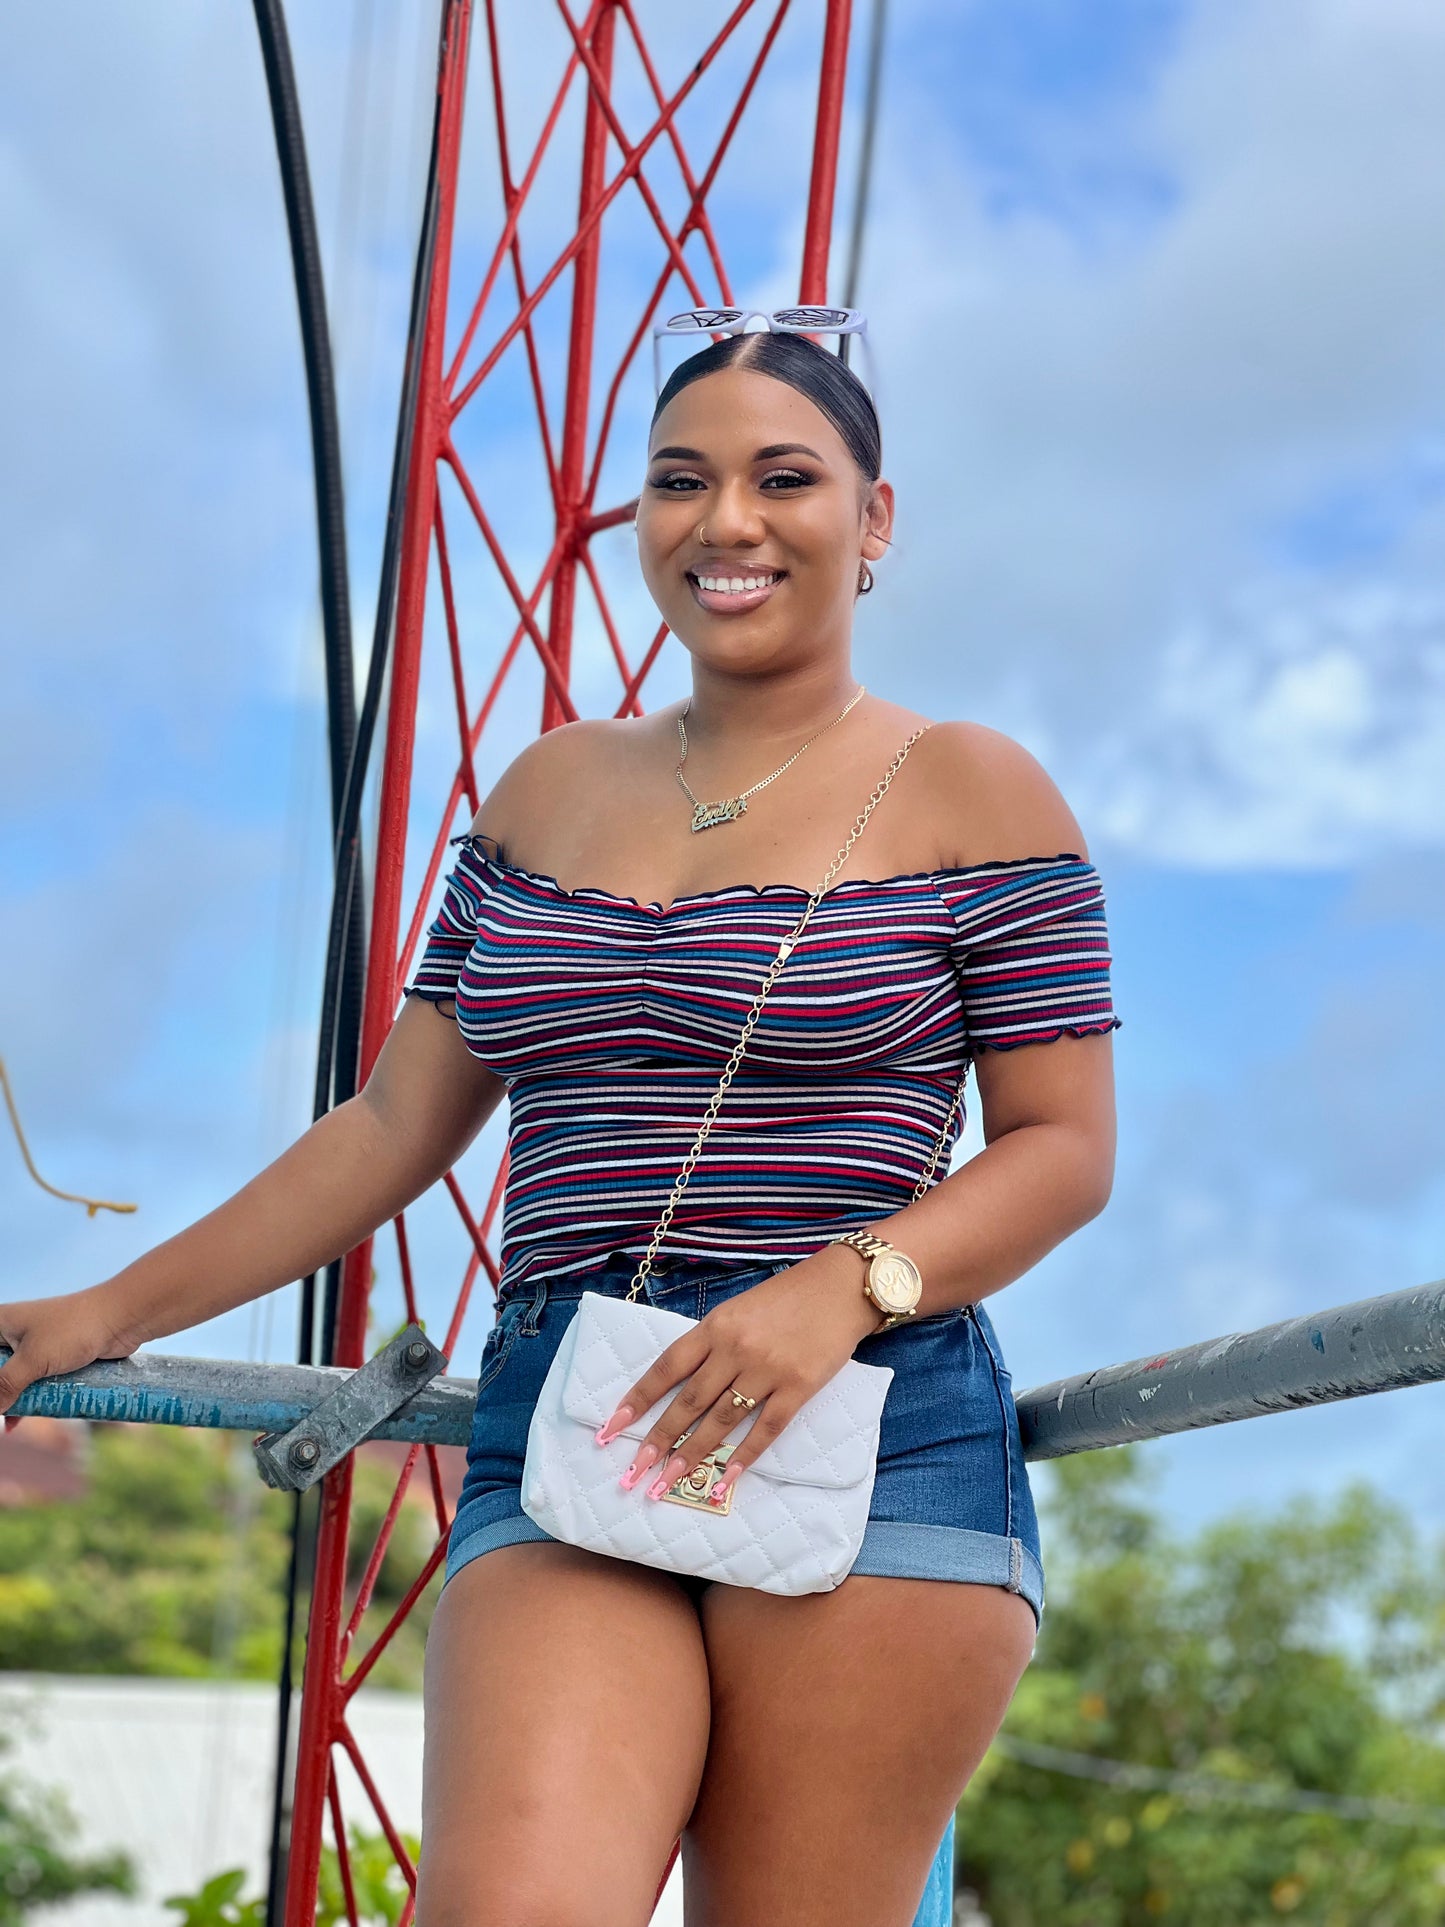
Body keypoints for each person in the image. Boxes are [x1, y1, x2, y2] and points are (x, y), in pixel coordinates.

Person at [0, 325, 1121, 1926]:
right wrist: (106, 1311)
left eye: (782, 478)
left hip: (872, 1423)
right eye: (680, 481)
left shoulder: (973, 790)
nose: (724, 520)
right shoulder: (546, 791)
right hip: (578, 1403)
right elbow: (396, 1119)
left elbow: (1061, 1148)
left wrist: (840, 1288)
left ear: (873, 522)